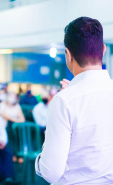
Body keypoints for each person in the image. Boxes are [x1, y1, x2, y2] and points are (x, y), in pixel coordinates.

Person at [35, 17, 113, 184]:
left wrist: (49, 137)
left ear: (68, 54)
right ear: (104, 50)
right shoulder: (69, 98)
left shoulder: (64, 100)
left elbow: (51, 172)